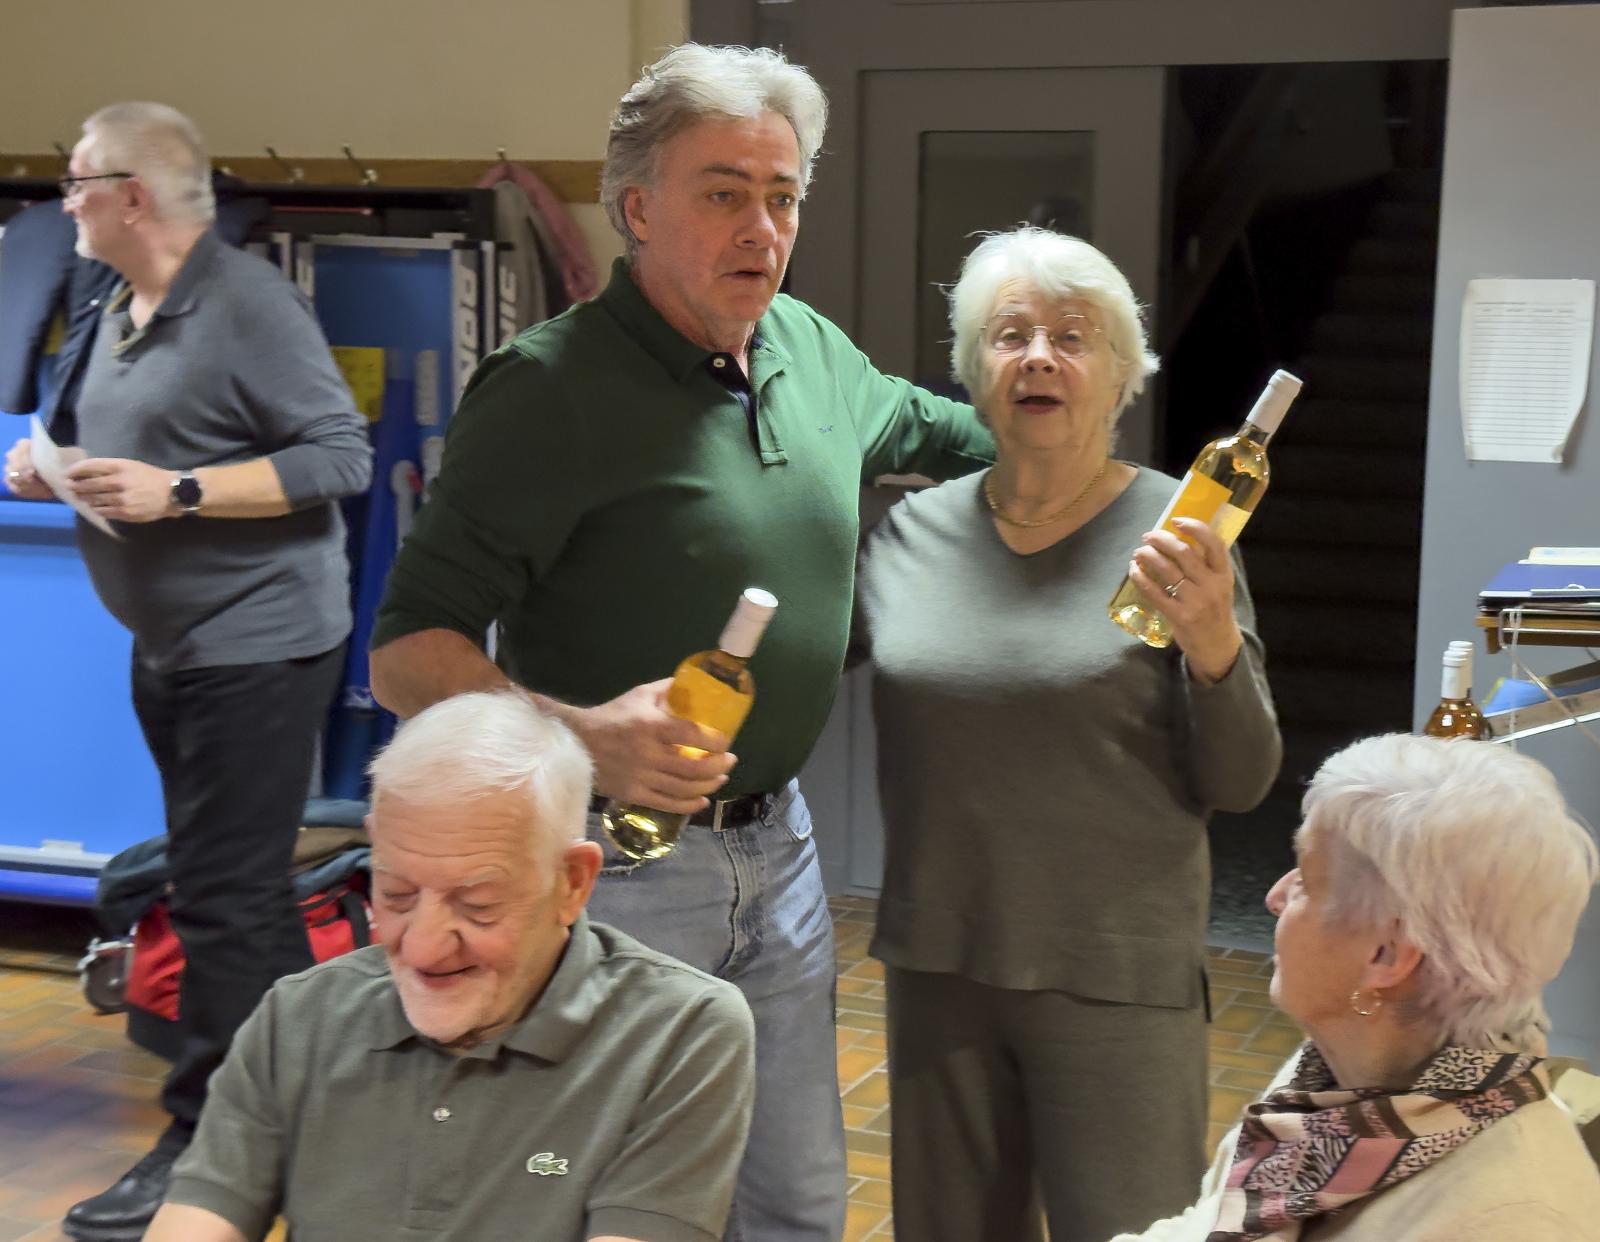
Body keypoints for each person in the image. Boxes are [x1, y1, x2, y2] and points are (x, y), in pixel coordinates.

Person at [368, 44, 991, 1239]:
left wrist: (1081, 434)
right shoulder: (548, 390)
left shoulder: (810, 349)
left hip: (779, 852)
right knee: (595, 1202)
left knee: (795, 1202)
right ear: (638, 208)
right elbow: (405, 653)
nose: (762, 226)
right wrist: (583, 739)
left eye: (783, 195)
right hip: (612, 868)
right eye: (723, 192)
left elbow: (958, 438)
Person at [852, 226, 1282, 1242]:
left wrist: (1212, 641)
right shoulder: (909, 534)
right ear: (974, 373)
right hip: (940, 962)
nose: (1038, 357)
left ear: (1121, 376)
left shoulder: (1183, 534)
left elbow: (1242, 780)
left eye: (1073, 337)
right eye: (1009, 336)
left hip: (1115, 973)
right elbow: (784, 671)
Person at [2, 102, 372, 1241]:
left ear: (135, 195)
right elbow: (107, 434)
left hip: (258, 643)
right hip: (171, 643)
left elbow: (339, 456)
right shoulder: (112, 303)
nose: (63, 202)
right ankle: (313, 1111)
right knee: (233, 894)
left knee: (222, 897)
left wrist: (184, 493)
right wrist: (47, 465)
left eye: (78, 182)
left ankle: (209, 1150)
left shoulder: (246, 303)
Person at [143, 689, 757, 1242]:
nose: (424, 948)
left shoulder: (680, 1033)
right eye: (396, 894)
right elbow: (197, 1219)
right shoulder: (298, 1017)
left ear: (573, 882)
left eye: (477, 904)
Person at [1114, 733, 1600, 1241]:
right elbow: (1208, 1222)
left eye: (1307, 881)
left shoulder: (1510, 1221)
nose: (1275, 896)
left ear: (1385, 956)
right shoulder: (1343, 1071)